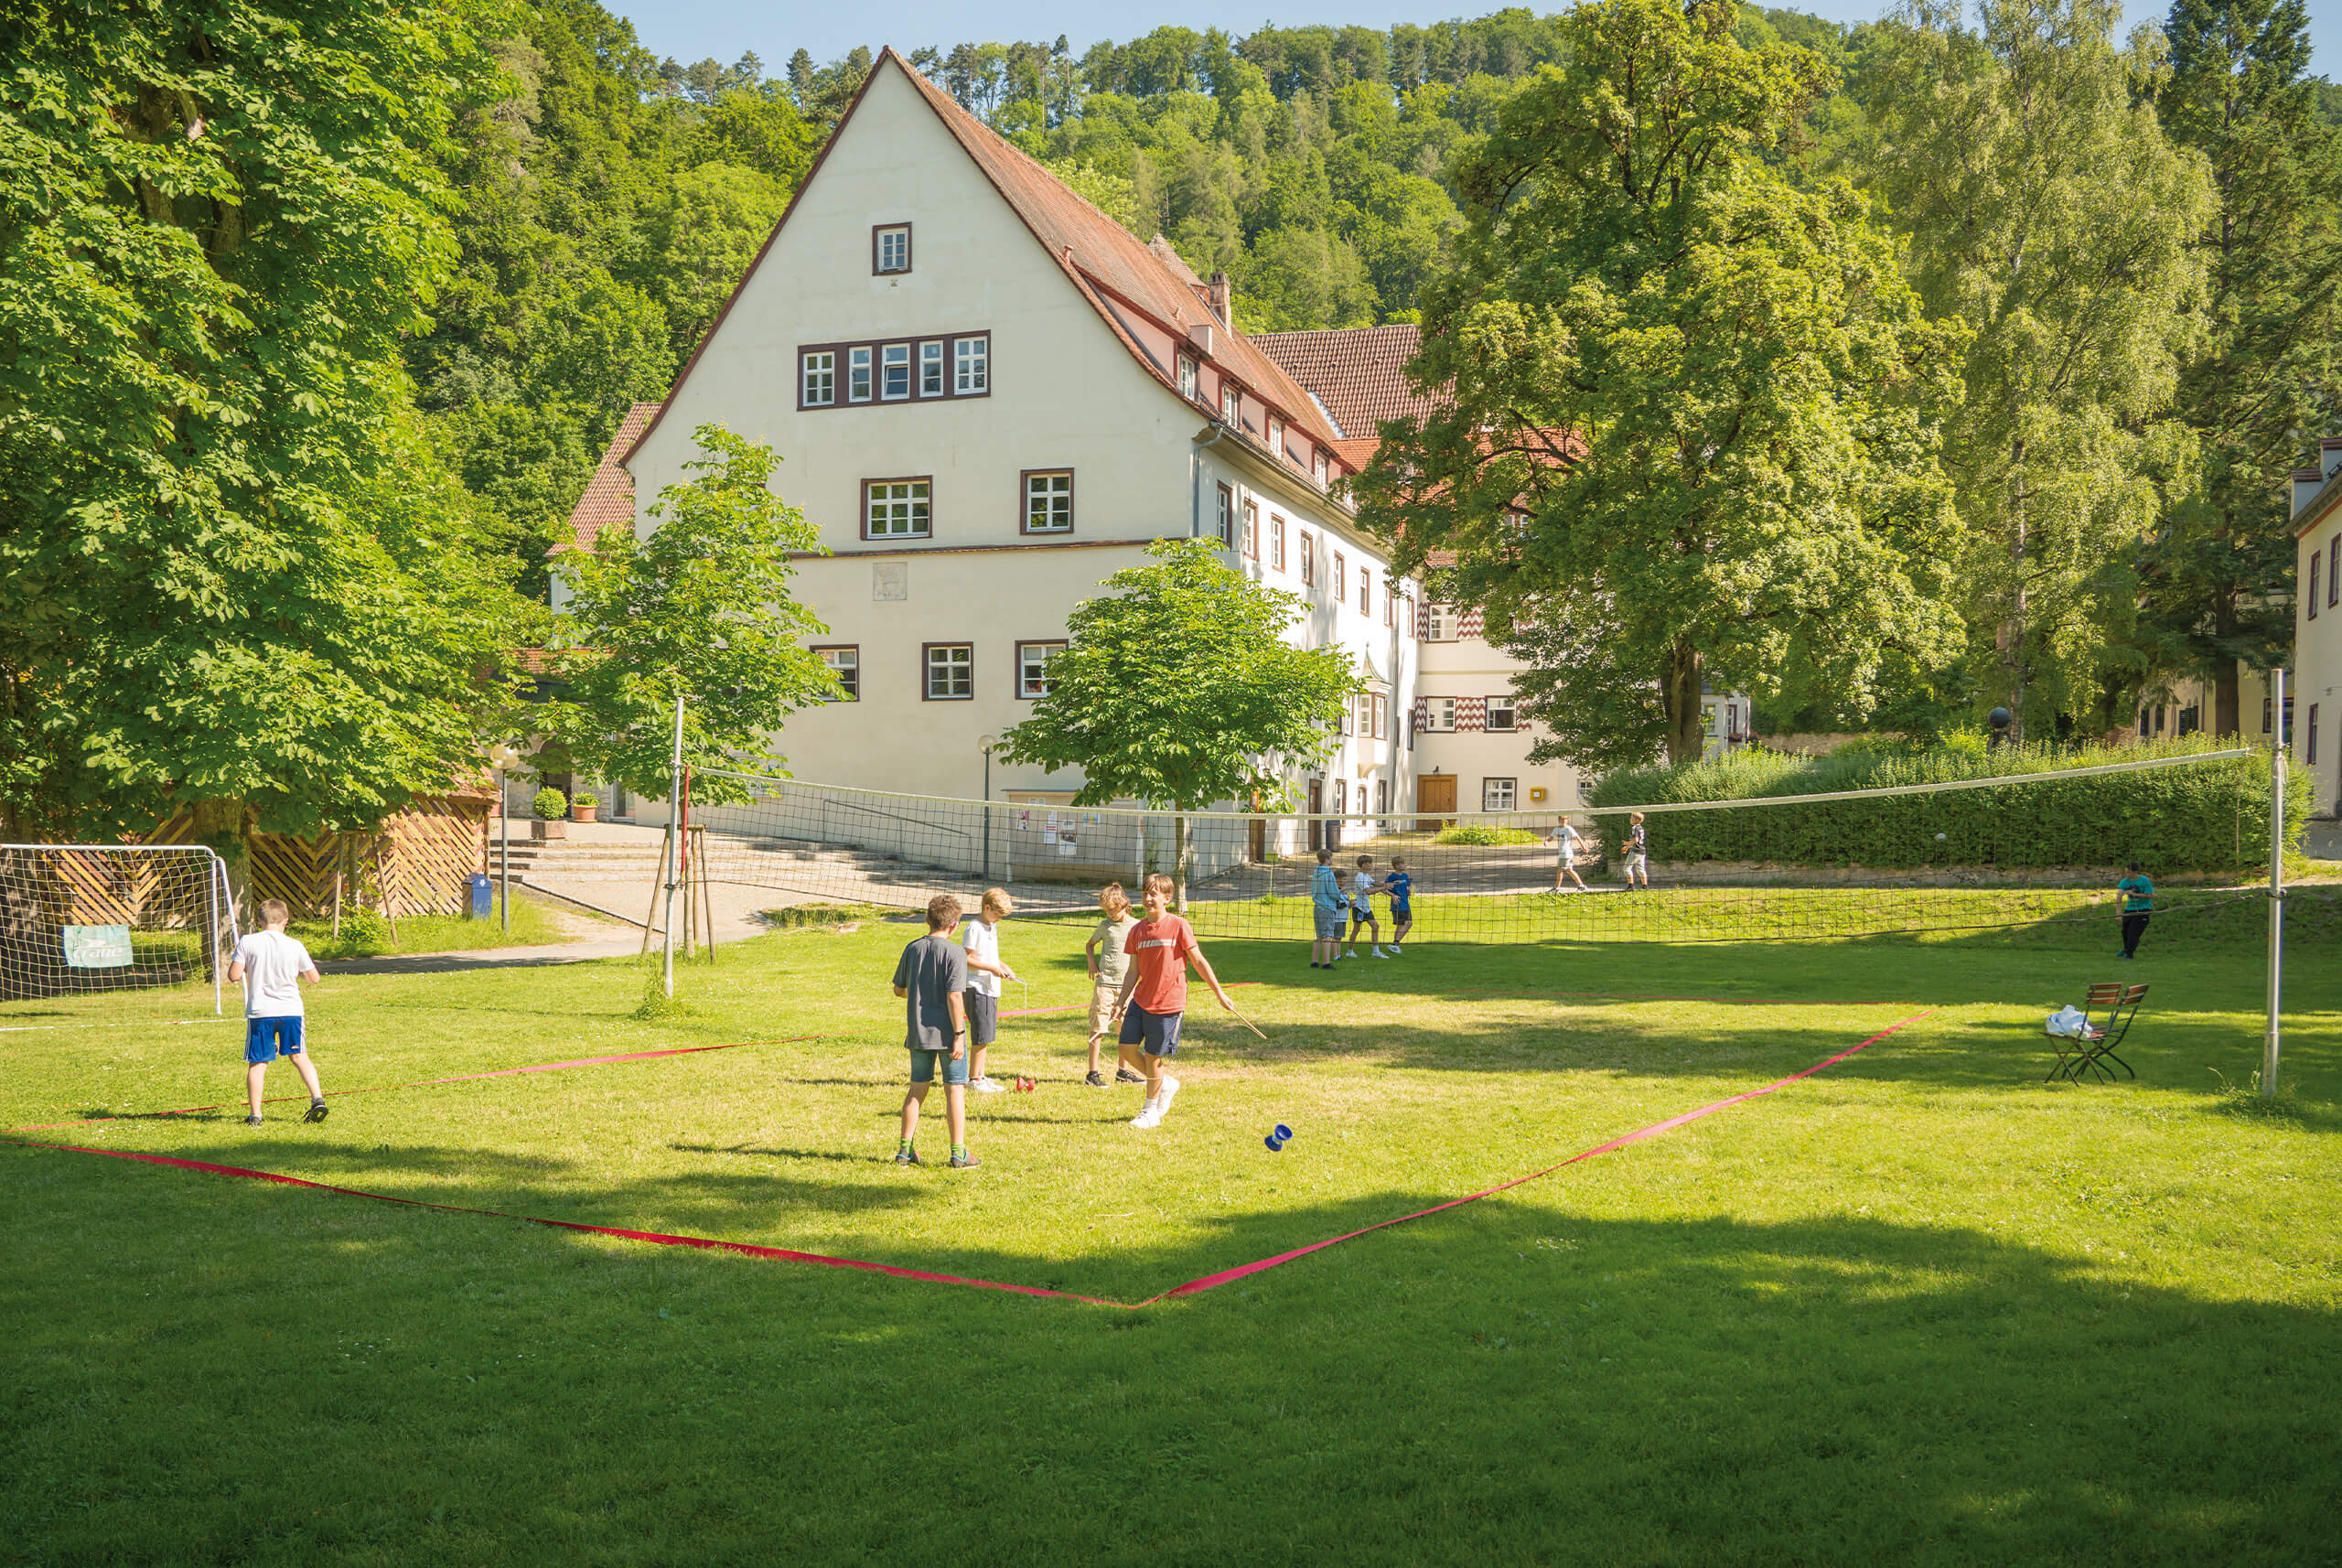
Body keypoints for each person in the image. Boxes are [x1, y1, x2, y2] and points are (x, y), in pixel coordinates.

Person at [1112, 873, 1235, 1129]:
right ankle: (1165, 1083)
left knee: (1154, 1058)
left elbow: (1199, 961)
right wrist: (1121, 1000)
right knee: (1126, 1048)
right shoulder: (1136, 931)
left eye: (1153, 894)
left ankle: (1150, 1111)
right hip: (1141, 1000)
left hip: (1169, 1003)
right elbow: (1133, 970)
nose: (1147, 898)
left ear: (1167, 898)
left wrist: (1219, 993)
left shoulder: (1179, 925)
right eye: (1145, 893)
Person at [893, 893, 977, 1168]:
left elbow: (899, 989)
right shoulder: (955, 953)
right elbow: (955, 997)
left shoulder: (912, 948)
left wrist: (920, 993)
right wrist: (959, 1036)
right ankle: (958, 1153)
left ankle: (905, 1151)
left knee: (917, 1089)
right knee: (954, 1090)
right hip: (948, 1036)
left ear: (927, 920)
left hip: (918, 1033)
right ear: (954, 926)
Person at [230, 897, 327, 1127]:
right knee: (299, 1056)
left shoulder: (248, 942)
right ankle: (317, 1098)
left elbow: (234, 975)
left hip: (261, 1011)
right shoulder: (295, 945)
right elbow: (314, 978)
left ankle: (256, 1116)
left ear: (258, 920)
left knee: (258, 1063)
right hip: (291, 1010)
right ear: (285, 921)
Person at [958, 886, 1019, 1092]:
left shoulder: (991, 927)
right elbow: (966, 958)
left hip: (990, 988)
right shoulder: (973, 928)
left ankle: (981, 1075)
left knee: (988, 1034)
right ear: (986, 907)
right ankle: (974, 1080)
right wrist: (992, 968)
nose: (999, 919)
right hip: (976, 987)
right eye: (998, 914)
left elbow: (989, 956)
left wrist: (1002, 966)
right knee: (981, 1035)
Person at [1082, 883, 1142, 1086]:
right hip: (1105, 984)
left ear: (1124, 904)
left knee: (1125, 1031)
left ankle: (1123, 1072)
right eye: (1105, 910)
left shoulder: (1136, 926)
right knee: (1098, 1027)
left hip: (1127, 986)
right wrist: (1092, 961)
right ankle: (1092, 1074)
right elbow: (1090, 945)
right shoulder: (1105, 926)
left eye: (1111, 909)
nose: (1108, 913)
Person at [1309, 849, 1346, 969]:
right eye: (1331, 858)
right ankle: (1326, 963)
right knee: (1328, 936)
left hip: (1318, 906)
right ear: (1326, 859)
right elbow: (1332, 892)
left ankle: (1314, 961)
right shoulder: (1328, 873)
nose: (1332, 860)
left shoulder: (1316, 871)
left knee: (1319, 936)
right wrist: (1339, 894)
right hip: (1327, 907)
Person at [1348, 854, 1389, 959]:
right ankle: (1349, 951)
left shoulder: (1366, 875)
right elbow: (1369, 891)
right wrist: (1384, 887)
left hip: (1366, 908)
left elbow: (1376, 884)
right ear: (1363, 865)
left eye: (1371, 863)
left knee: (1375, 926)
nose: (1371, 865)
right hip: (1359, 908)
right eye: (1369, 863)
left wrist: (1390, 882)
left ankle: (1375, 952)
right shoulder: (1360, 877)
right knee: (1356, 930)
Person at [2115, 861, 2154, 960]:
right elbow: (2119, 897)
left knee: (2133, 932)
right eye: (2125, 872)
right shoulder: (2124, 881)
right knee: (2125, 932)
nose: (2126, 874)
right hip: (2129, 909)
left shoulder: (2144, 881)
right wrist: (2118, 914)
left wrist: (2135, 894)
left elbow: (2150, 896)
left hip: (2143, 910)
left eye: (2128, 872)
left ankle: (2129, 955)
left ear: (2135, 872)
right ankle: (2126, 949)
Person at [1384, 857, 1413, 953]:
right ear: (1396, 866)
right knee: (1408, 923)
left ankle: (1395, 945)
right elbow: (1384, 889)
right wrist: (1393, 896)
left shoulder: (1405, 876)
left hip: (1406, 903)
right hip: (1398, 904)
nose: (1405, 865)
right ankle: (1395, 944)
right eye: (1402, 864)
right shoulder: (1392, 877)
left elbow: (1409, 885)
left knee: (1401, 925)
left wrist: (1409, 890)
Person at [1552, 817, 1587, 892]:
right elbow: (1551, 837)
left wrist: (1583, 847)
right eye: (1562, 820)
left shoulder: (1569, 829)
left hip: (1566, 853)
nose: (1564, 821)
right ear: (1559, 820)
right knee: (1569, 870)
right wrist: (1546, 841)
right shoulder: (1557, 829)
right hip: (1561, 853)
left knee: (1560, 870)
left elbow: (1577, 837)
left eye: (1565, 820)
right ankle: (1581, 886)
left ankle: (1556, 888)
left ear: (1567, 821)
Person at [1624, 811, 1649, 889]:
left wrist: (1627, 843)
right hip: (1642, 851)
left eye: (1631, 818)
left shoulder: (1634, 828)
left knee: (1627, 868)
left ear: (1636, 820)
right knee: (1641, 869)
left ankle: (1630, 886)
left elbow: (1636, 840)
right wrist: (1627, 847)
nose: (1630, 819)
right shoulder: (1641, 828)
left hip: (1635, 851)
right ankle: (1645, 886)